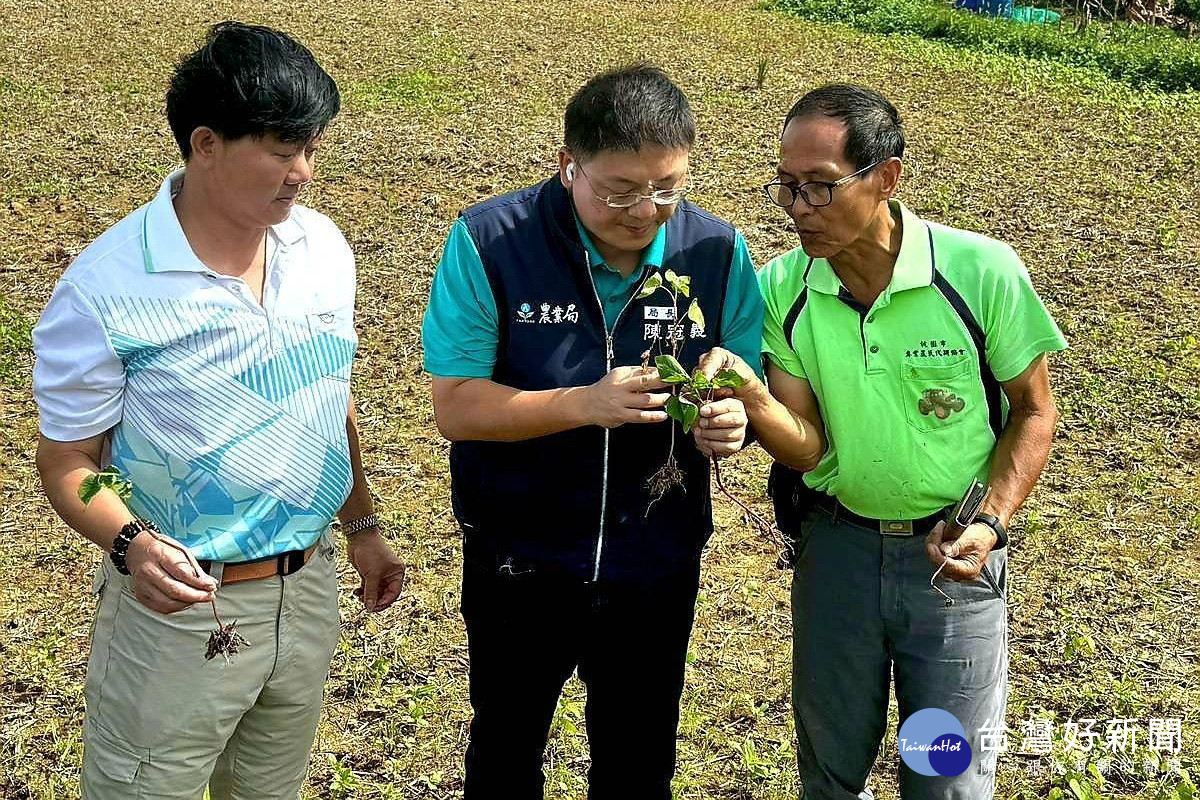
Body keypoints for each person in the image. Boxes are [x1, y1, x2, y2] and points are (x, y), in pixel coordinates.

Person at [32, 22, 405, 799]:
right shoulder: (110, 285)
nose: (302, 171)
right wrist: (129, 540)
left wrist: (362, 527)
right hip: (179, 610)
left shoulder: (324, 250)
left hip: (306, 593)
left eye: (312, 147)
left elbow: (325, 401)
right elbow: (68, 462)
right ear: (205, 144)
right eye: (280, 149)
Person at [697, 84, 1067, 799]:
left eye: (821, 188)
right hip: (838, 553)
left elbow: (1032, 411)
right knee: (831, 774)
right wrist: (751, 392)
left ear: (887, 177)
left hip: (952, 560)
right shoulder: (782, 289)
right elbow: (805, 449)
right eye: (787, 186)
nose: (799, 209)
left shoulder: (980, 272)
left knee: (946, 777)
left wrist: (989, 523)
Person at [421, 63, 765, 799]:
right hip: (521, 556)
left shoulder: (715, 251)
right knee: (507, 749)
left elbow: (742, 382)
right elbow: (456, 405)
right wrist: (581, 403)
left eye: (668, 187)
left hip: (656, 558)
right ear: (567, 164)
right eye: (620, 189)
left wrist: (733, 422)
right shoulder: (492, 241)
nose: (646, 210)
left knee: (639, 757)